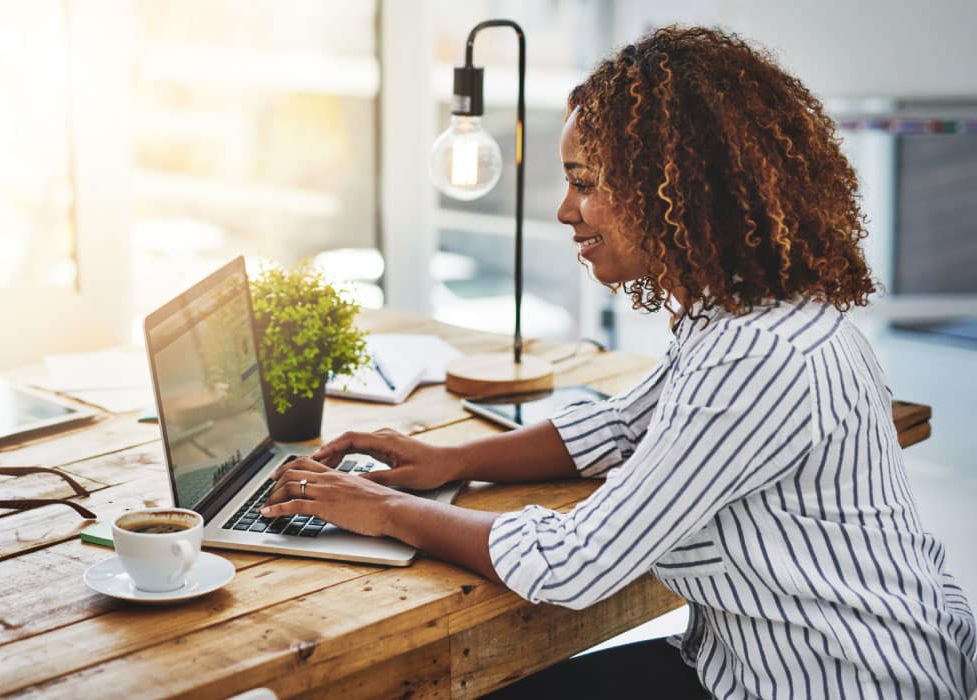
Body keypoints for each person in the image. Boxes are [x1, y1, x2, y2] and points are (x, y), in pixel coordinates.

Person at [261, 26, 977, 698]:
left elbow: (576, 564)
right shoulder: (742, 311)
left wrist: (386, 510)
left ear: (679, 189)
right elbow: (620, 430)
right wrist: (452, 462)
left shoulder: (759, 353)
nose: (566, 211)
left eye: (585, 181)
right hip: (742, 663)